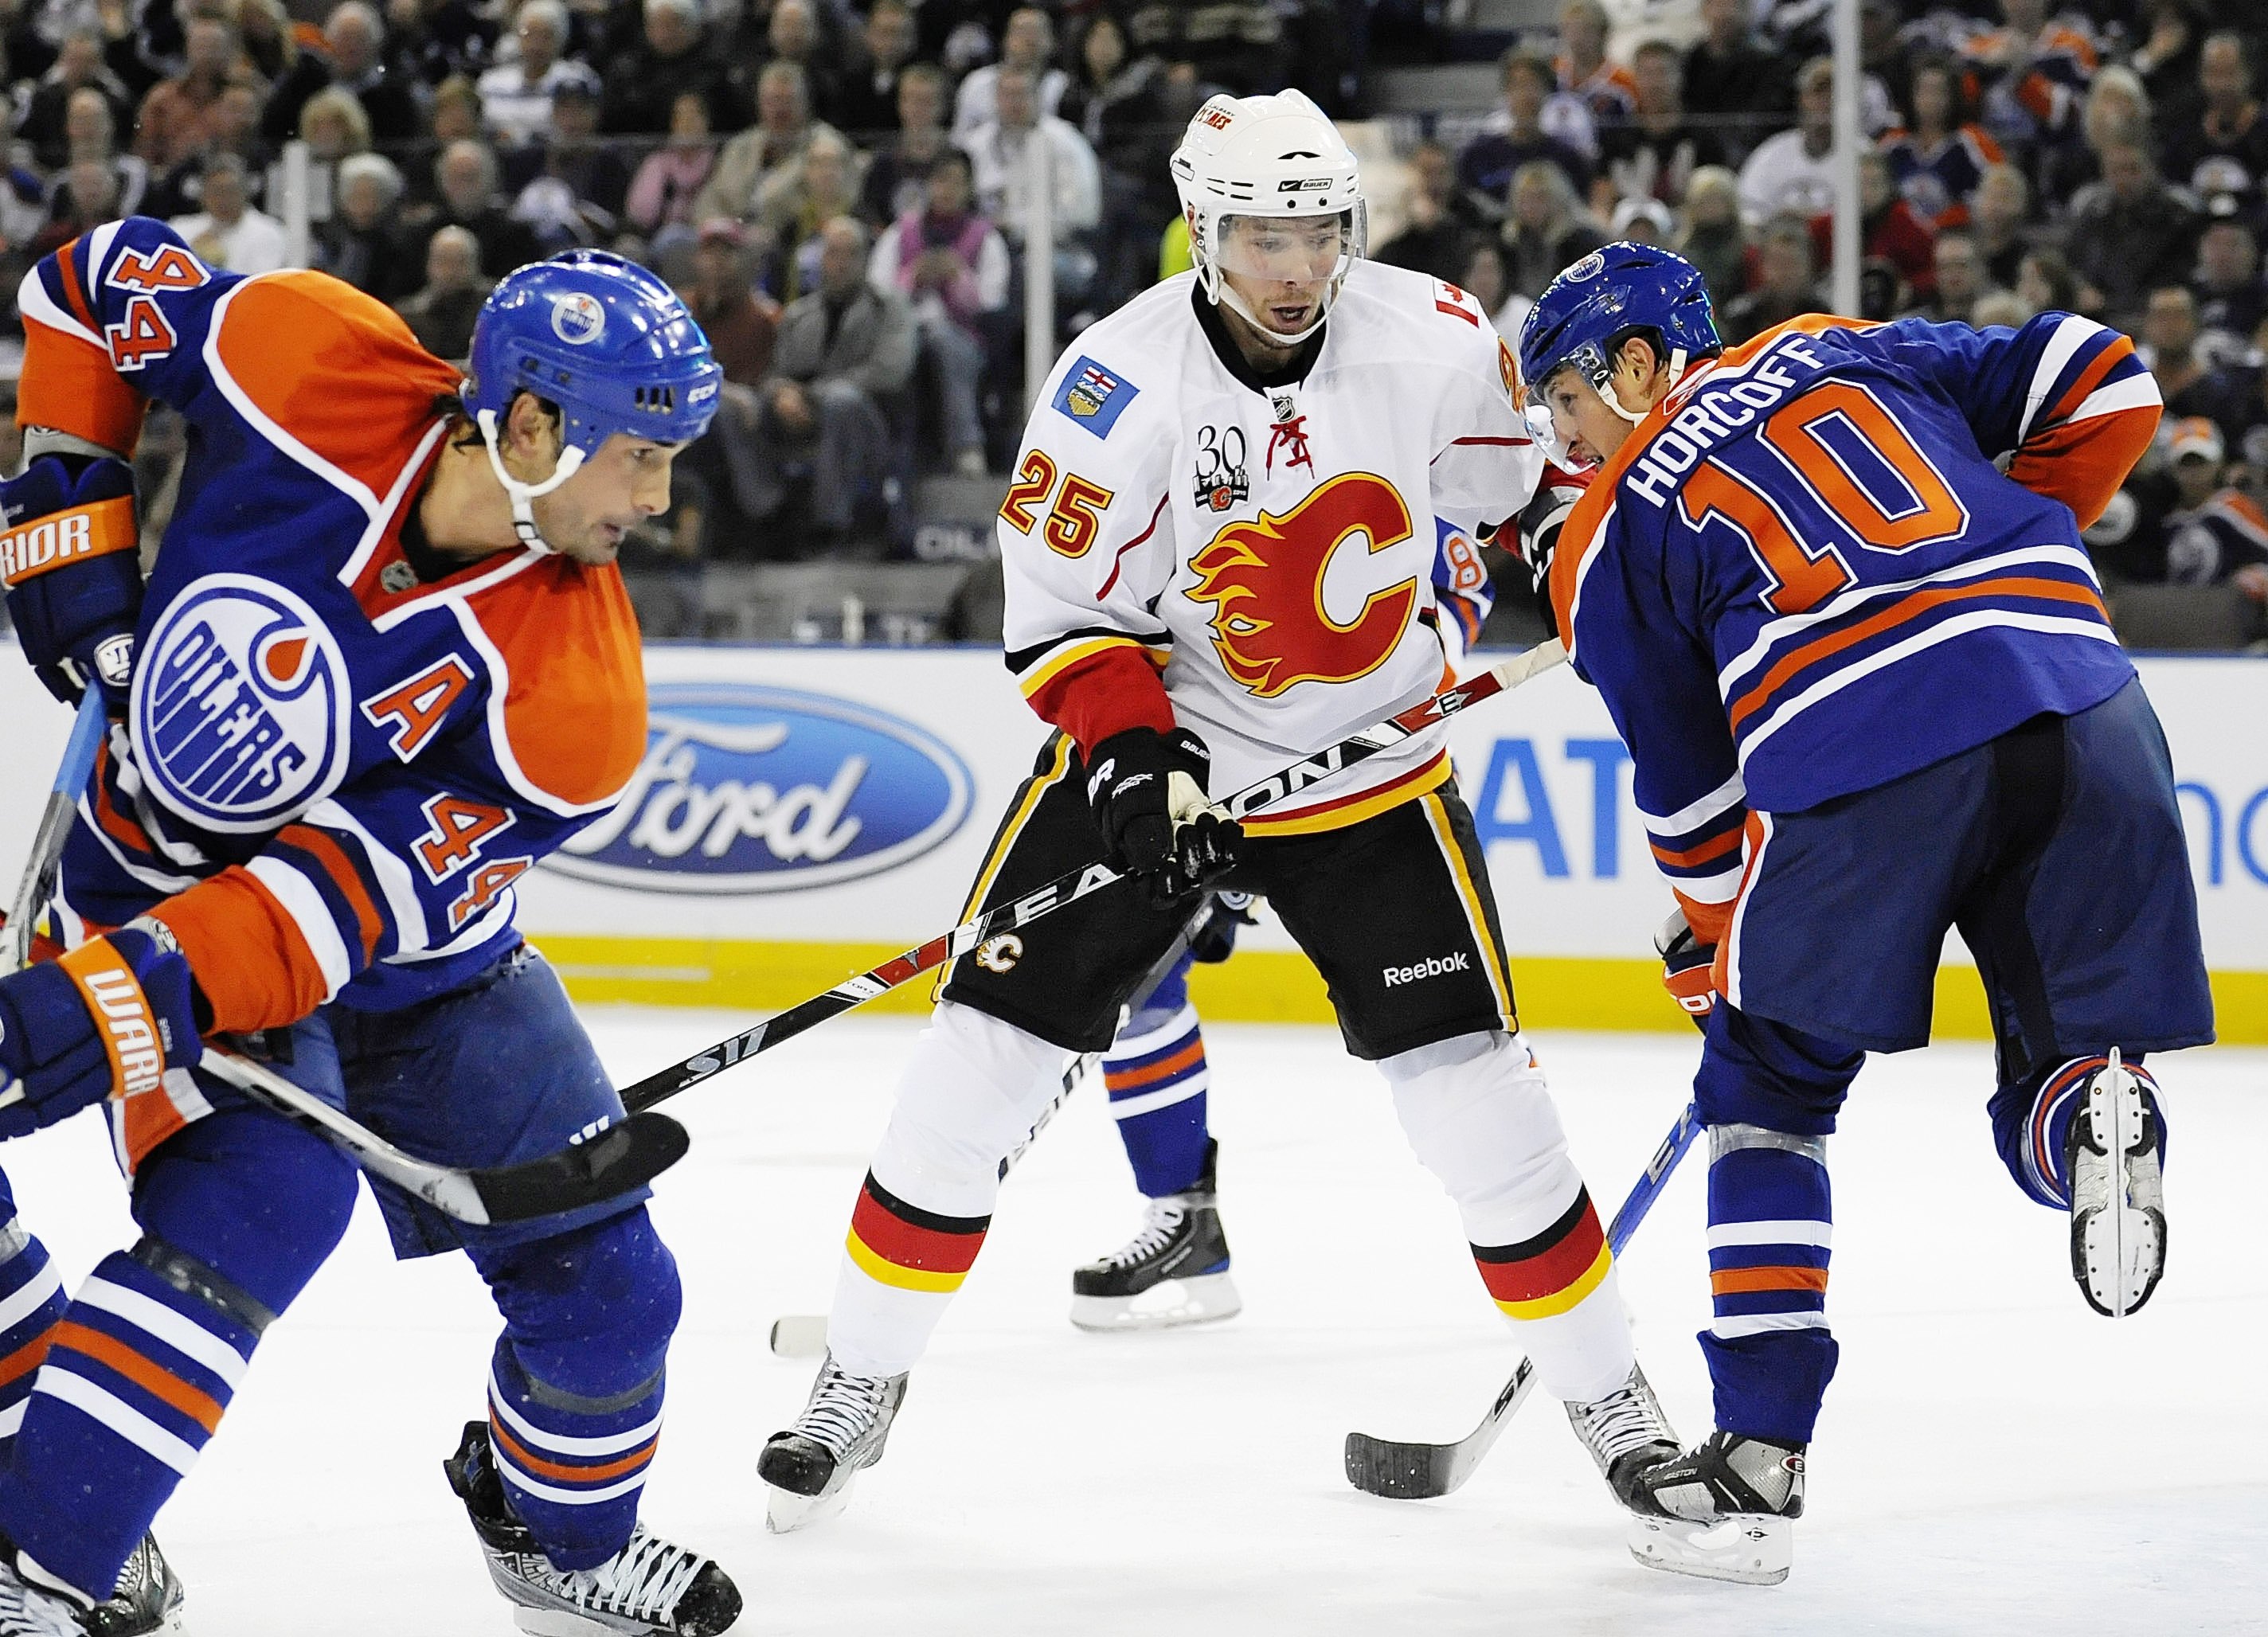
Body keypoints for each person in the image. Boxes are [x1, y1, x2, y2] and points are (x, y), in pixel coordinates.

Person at [757, 88, 1679, 1539]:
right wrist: (1134, 767)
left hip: (1369, 777)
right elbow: (1064, 623)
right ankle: (858, 1379)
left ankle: (1614, 1400)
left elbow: (1543, 494)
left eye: (1318, 228)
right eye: (1262, 234)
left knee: (1482, 1115)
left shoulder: (1433, 339)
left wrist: (1593, 567)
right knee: (969, 1082)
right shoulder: (1112, 387)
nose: (1296, 264)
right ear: (1202, 228)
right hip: (1165, 763)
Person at [0, 225, 741, 1634]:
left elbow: (319, 908)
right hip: (146, 880)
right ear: (526, 421)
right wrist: (69, 528)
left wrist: (86, 1010)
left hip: (408, 968)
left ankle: (553, 1538)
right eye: (636, 456)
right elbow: (90, 287)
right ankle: (32, 1570)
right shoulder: (302, 353)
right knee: (260, 1206)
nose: (654, 500)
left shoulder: (574, 700)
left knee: (611, 1288)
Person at [1511, 240, 2208, 1585]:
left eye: (1566, 400)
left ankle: (1755, 1466)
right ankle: (2089, 1128)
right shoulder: (1839, 339)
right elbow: (2106, 384)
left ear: (1637, 365)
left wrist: (1713, 946)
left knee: (1766, 1090)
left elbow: (1689, 798)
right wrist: (2012, 527)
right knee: (2060, 1044)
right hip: (2082, 696)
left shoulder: (1603, 535)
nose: (1561, 436)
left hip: (1865, 742)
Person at [1070, 519, 1502, 1331]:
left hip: (1349, 784)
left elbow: (1457, 581)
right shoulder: (1188, 427)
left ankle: (1543, 1236)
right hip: (1196, 773)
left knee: (1447, 1040)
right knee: (1139, 988)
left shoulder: (1384, 416)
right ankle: (1185, 1222)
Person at [870, 149, 1008, 475]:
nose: (946, 190)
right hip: (906, 334)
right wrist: (912, 278)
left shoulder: (985, 238)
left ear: (969, 188)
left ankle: (967, 446)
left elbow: (993, 303)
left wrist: (957, 277)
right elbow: (877, 294)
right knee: (903, 348)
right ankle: (893, 453)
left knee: (944, 340)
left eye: (956, 183)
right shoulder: (900, 233)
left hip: (965, 340)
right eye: (940, 181)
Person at [1457, 48, 1591, 225]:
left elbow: (1578, 213)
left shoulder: (1566, 158)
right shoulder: (1478, 156)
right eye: (1518, 86)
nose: (1526, 96)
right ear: (1506, 93)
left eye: (1534, 86)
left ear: (1547, 94)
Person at [476, 0, 599, 149]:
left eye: (546, 36)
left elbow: (578, 129)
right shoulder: (491, 83)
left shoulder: (577, 79)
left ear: (561, 39)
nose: (536, 44)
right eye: (528, 34)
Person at [1738, 57, 1838, 225]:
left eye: (1834, 95)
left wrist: (1814, 221)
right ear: (1802, 99)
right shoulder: (1772, 153)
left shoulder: (1861, 153)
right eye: (1819, 93)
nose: (1826, 102)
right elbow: (1748, 212)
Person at [952, 6, 1067, 140]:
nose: (1029, 40)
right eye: (1021, 31)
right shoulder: (977, 82)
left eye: (1037, 32)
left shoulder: (1063, 85)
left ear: (1052, 42)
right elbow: (961, 138)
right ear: (1006, 39)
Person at [169, 152, 290, 273]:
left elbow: (259, 282)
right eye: (216, 191)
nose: (223, 199)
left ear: (245, 192)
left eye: (230, 191)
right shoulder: (180, 229)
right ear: (203, 195)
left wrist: (211, 266)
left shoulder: (269, 233)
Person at [392, 221, 487, 358]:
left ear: (475, 264)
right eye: (443, 261)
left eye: (460, 261)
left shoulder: (490, 310)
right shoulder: (409, 316)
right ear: (429, 264)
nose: (451, 271)